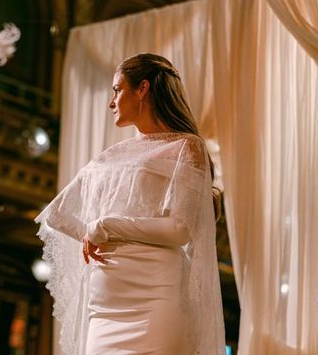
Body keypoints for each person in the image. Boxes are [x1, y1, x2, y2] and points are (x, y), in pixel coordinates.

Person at [35, 53, 225, 354]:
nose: (111, 102)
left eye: (117, 89)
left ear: (143, 88)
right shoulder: (112, 155)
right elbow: (56, 214)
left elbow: (180, 230)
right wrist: (91, 232)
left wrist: (105, 226)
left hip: (158, 300)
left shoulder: (187, 147)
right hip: (105, 308)